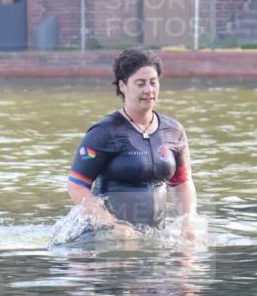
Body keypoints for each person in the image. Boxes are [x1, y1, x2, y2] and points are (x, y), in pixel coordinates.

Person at [67, 48, 198, 240]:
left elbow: (182, 183)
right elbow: (77, 187)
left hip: (153, 239)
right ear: (122, 86)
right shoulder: (103, 132)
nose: (149, 90)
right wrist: (111, 225)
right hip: (105, 238)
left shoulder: (174, 131)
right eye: (140, 83)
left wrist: (188, 221)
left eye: (153, 82)